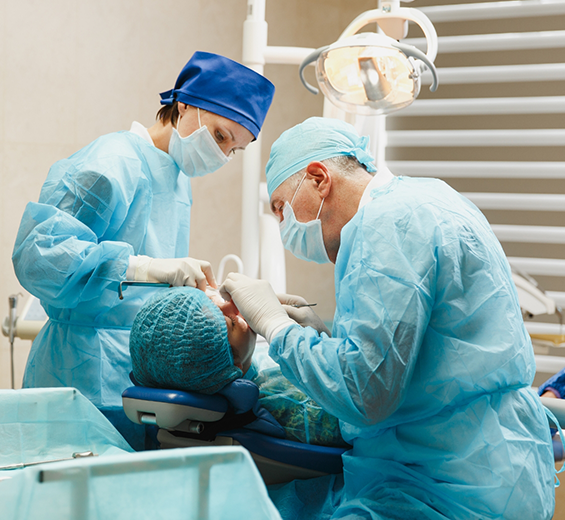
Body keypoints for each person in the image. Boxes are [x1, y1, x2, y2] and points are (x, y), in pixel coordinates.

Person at [220, 116, 556, 520]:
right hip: (494, 468)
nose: (283, 226)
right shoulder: (426, 199)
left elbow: (367, 393)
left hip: (444, 490)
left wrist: (276, 327)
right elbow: (422, 356)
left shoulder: (389, 226)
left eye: (281, 209)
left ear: (318, 178)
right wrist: (323, 337)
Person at [11, 51, 275, 450]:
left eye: (234, 149)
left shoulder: (175, 175)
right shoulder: (112, 161)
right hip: (78, 369)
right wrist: (149, 268)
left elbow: (149, 290)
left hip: (138, 378)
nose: (222, 155)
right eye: (221, 136)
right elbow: (41, 256)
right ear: (185, 104)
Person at [130, 287, 346, 447]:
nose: (232, 304)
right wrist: (323, 344)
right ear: (233, 365)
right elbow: (360, 407)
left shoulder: (203, 372)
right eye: (230, 323)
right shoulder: (289, 406)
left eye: (210, 299)